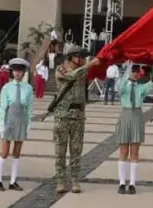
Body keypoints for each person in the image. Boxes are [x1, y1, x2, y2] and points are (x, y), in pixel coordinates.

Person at [53, 44, 99, 194]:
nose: (84, 59)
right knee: (60, 151)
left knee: (76, 151)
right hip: (63, 117)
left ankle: (74, 180)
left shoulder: (83, 71)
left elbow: (98, 69)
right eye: (80, 56)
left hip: (78, 117)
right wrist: (90, 64)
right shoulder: (61, 69)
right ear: (71, 57)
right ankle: (60, 181)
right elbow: (71, 76)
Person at [0, 58, 34, 192]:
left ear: (23, 73)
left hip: (21, 120)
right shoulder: (7, 87)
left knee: (17, 153)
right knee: (4, 152)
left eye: (20, 71)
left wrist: (29, 124)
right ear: (12, 72)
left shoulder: (28, 88)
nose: (17, 73)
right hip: (9, 120)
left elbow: (29, 108)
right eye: (15, 71)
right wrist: (1, 124)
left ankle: (13, 181)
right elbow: (2, 108)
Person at [116, 63, 153, 194]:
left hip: (137, 116)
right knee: (123, 151)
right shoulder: (124, 86)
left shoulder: (141, 88)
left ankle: (132, 183)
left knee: (134, 152)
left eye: (138, 71)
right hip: (126, 114)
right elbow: (120, 87)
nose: (136, 73)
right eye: (134, 71)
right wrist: (129, 68)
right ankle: (122, 182)